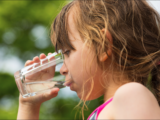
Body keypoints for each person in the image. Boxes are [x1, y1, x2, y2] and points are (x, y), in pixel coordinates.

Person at [17, 0, 160, 119]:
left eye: (67, 52)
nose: (62, 69)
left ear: (102, 46)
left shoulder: (131, 95)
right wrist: (28, 105)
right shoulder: (112, 108)